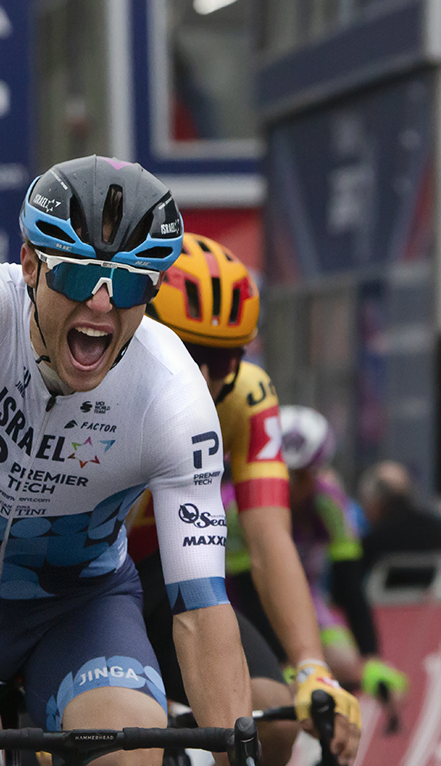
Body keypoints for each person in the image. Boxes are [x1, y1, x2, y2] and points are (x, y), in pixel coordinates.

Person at [0, 156, 252, 766]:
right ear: (30, 264)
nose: (102, 308)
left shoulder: (171, 392)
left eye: (131, 284)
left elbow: (201, 608)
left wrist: (236, 755)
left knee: (131, 755)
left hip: (78, 611)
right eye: (79, 279)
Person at [132, 233, 361, 764]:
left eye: (223, 357)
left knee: (273, 722)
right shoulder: (102, 378)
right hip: (75, 581)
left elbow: (268, 539)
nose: (206, 379)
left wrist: (311, 666)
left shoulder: (249, 395)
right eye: (190, 352)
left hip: (159, 576)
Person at [229, 407, 407, 711]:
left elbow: (350, 582)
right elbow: (245, 590)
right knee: (277, 683)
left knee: (346, 665)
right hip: (241, 602)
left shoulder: (328, 502)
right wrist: (282, 657)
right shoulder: (235, 508)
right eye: (286, 473)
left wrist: (371, 656)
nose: (292, 486)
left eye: (302, 476)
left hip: (303, 596)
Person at [358, 460, 441, 566]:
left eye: (366, 502)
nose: (365, 512)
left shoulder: (373, 543)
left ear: (378, 502)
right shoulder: (436, 529)